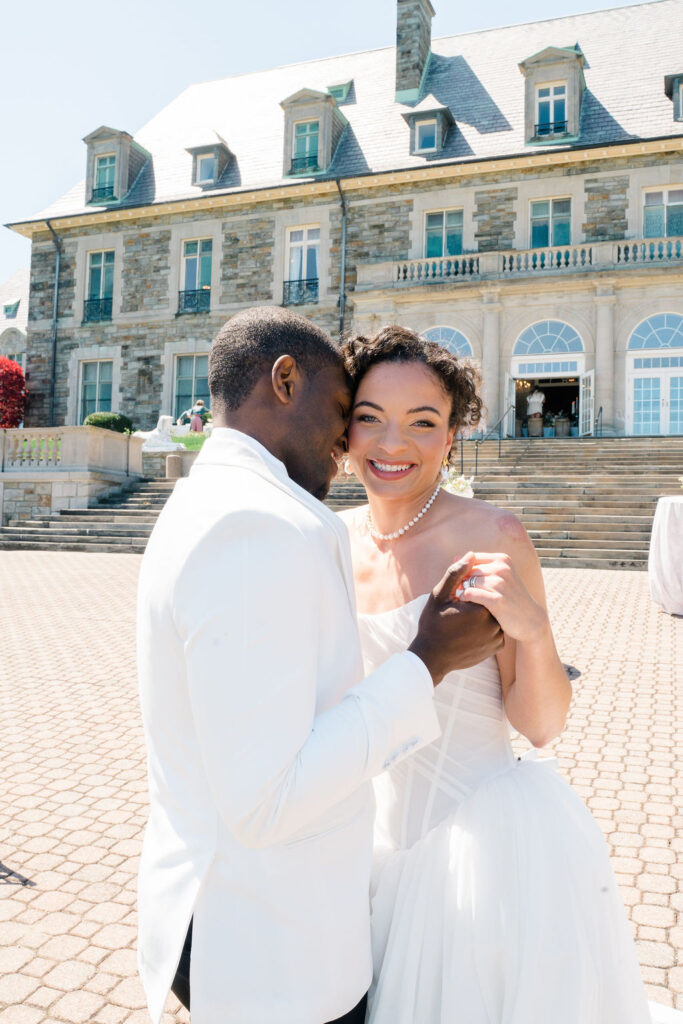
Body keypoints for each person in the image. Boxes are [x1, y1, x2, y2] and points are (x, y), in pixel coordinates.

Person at [136, 307, 504, 1024]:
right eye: (344, 410)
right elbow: (267, 801)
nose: (346, 439)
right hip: (270, 944)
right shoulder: (254, 525)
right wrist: (426, 661)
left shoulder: (215, 499)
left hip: (242, 919)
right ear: (284, 381)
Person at [339, 325, 652, 1024]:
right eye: (370, 417)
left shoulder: (490, 535)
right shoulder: (329, 540)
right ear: (346, 429)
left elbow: (541, 726)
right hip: (359, 839)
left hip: (477, 845)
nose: (393, 443)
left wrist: (533, 631)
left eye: (423, 422)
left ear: (452, 436)